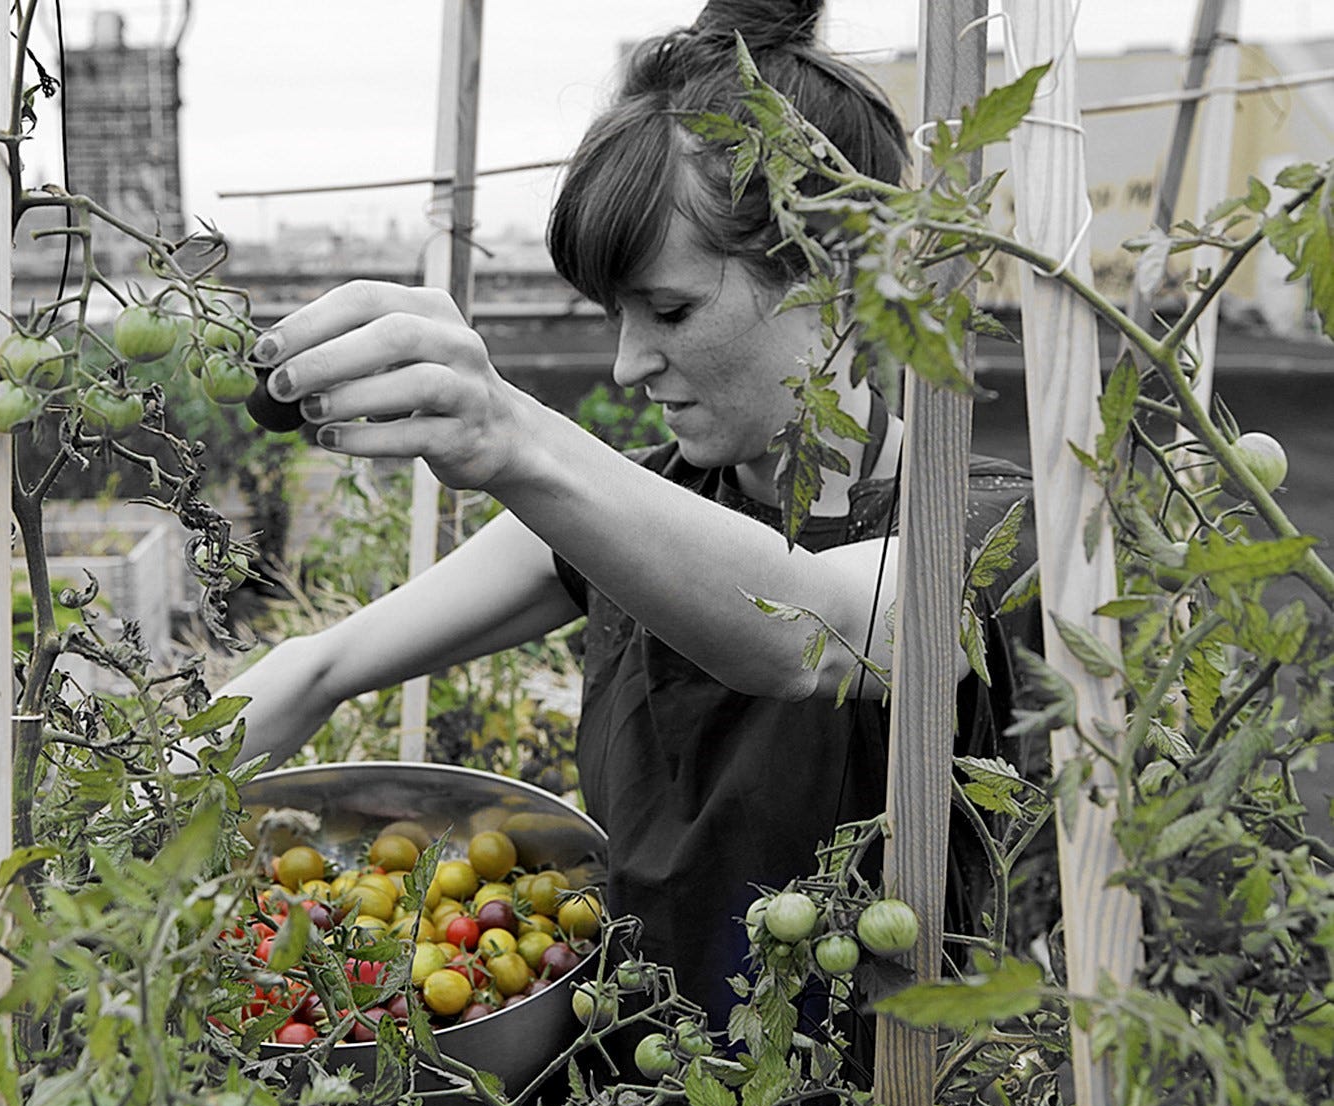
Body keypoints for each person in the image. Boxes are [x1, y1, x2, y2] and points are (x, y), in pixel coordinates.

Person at [218, 0, 1037, 1030]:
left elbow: (816, 632)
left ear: (835, 279)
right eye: (615, 315)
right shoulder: (631, 508)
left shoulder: (990, 531)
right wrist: (108, 820)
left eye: (671, 309)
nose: (626, 363)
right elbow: (315, 668)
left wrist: (510, 434)